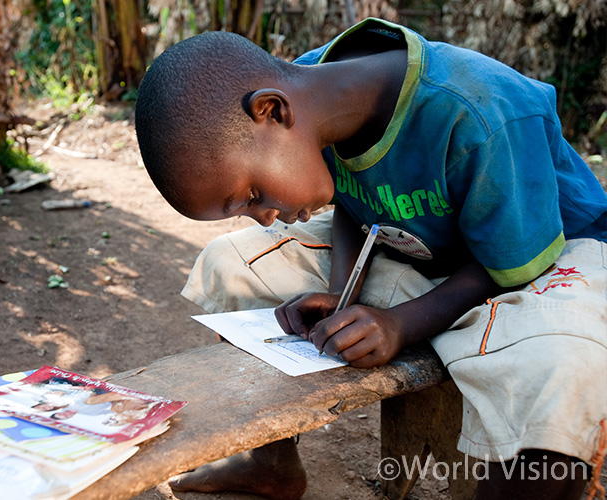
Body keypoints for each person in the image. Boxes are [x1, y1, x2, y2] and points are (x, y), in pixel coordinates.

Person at [134, 17, 607, 500]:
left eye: (254, 193)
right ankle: (271, 465)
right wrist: (343, 292)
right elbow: (353, 199)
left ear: (272, 112)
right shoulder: (316, 93)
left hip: (534, 258)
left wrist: (401, 323)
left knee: (564, 366)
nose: (264, 217)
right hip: (413, 245)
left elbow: (511, 260)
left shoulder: (481, 110)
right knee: (229, 264)